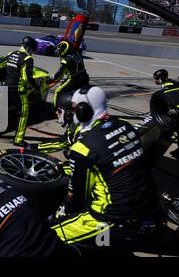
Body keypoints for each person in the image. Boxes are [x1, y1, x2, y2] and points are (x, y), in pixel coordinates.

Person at [50, 86, 160, 253]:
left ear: (82, 110)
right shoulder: (126, 127)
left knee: (47, 235)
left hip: (112, 219)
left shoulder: (83, 148)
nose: (71, 112)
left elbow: (77, 199)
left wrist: (60, 213)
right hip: (150, 209)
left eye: (73, 108)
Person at [0, 36, 39, 148]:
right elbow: (26, 77)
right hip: (18, 91)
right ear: (29, 48)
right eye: (32, 50)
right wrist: (35, 87)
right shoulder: (27, 59)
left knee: (1, 107)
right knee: (23, 115)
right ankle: (18, 140)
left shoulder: (12, 53)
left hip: (6, 87)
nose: (32, 53)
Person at [27, 91, 79, 177]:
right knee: (69, 152)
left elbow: (84, 166)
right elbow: (61, 143)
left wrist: (59, 168)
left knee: (70, 154)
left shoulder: (84, 133)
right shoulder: (75, 127)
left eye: (59, 111)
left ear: (69, 114)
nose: (56, 113)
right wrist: (35, 147)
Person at [49, 40, 89, 109]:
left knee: (58, 91)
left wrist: (50, 78)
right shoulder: (76, 53)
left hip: (74, 79)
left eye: (60, 50)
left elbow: (59, 75)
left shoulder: (66, 60)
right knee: (82, 94)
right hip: (85, 77)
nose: (59, 52)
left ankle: (54, 109)